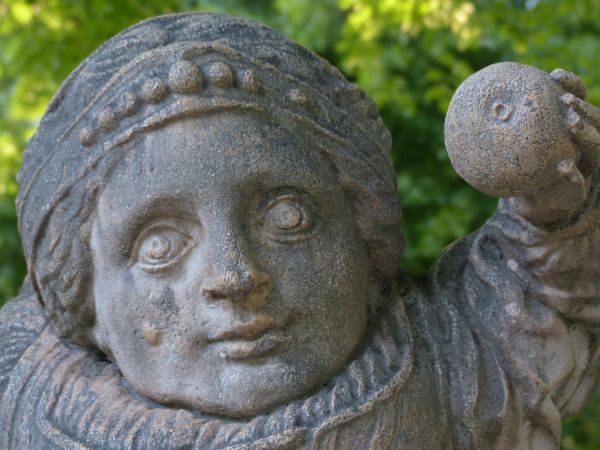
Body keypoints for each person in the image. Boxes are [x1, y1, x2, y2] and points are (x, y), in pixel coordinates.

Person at [0, 13, 598, 449]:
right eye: (160, 246)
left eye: (288, 218)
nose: (234, 276)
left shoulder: (454, 368)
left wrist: (554, 197)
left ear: (367, 244)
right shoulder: (21, 398)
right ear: (85, 303)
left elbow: (546, 286)